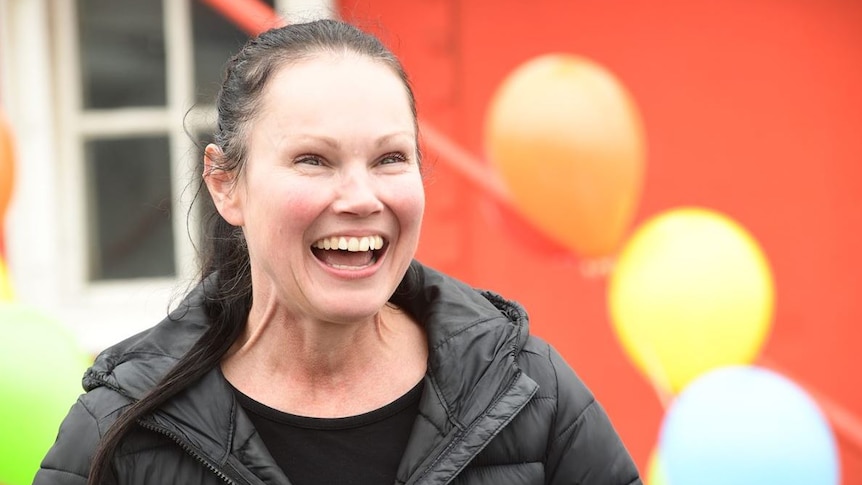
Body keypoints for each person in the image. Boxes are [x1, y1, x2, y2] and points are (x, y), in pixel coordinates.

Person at [34, 18, 641, 485]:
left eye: (390, 159)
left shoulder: (528, 390)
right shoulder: (120, 430)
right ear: (225, 184)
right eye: (312, 160)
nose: (361, 197)